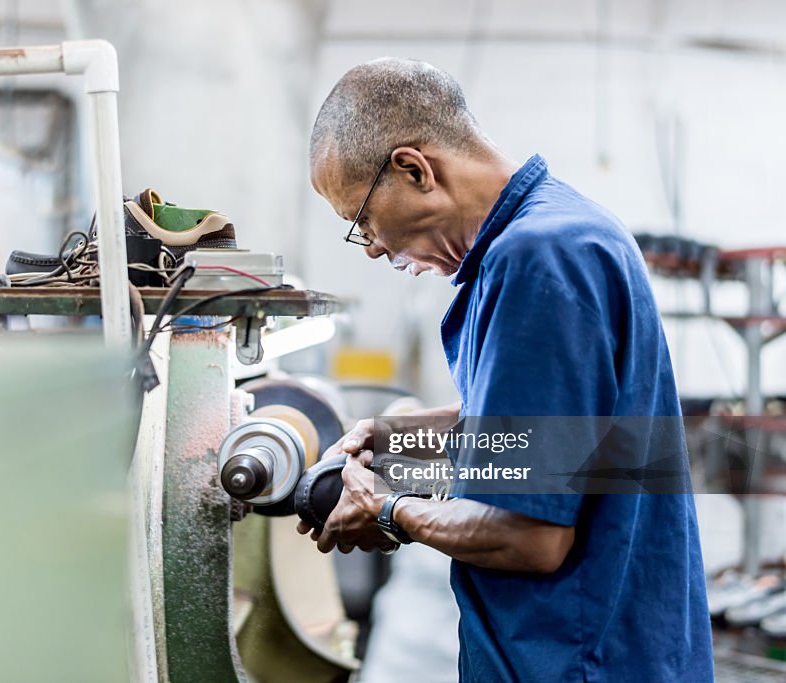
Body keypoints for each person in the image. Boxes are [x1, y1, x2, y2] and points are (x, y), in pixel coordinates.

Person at [299, 57, 714, 681]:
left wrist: (387, 508)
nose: (376, 247)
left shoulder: (538, 257)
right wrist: (398, 438)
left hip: (578, 661)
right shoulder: (563, 231)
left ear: (414, 169)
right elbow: (547, 435)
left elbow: (530, 536)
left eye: (360, 222)